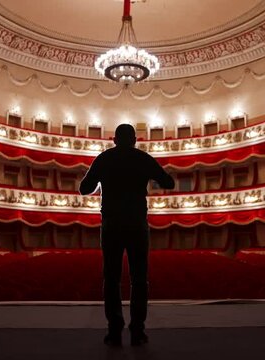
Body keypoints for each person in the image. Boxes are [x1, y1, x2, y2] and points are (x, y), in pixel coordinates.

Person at [79, 124, 174, 346]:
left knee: (111, 279)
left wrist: (101, 180)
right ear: (134, 140)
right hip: (136, 224)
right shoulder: (143, 158)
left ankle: (114, 331)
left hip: (112, 224)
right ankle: (137, 332)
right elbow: (168, 182)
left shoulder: (104, 158)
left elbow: (84, 188)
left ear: (114, 140)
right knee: (139, 279)